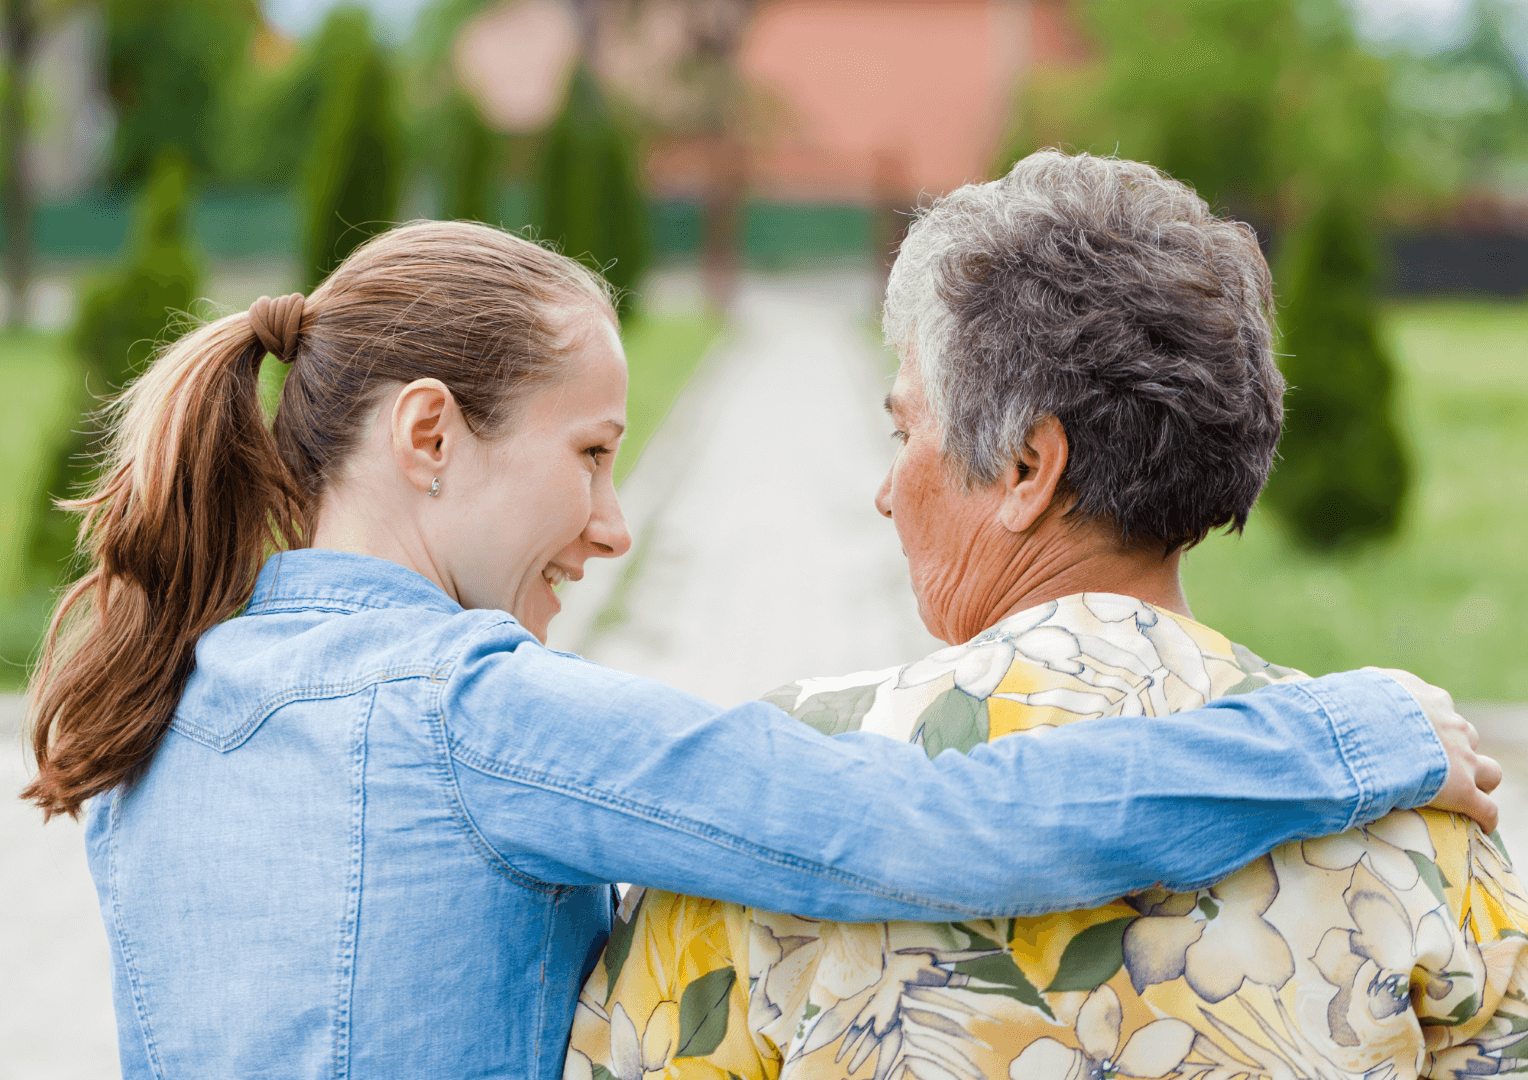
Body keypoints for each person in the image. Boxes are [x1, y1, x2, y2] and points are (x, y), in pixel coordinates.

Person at [21, 220, 1495, 1080]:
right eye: (593, 454)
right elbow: (929, 828)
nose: (612, 525)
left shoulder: (157, 704)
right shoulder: (471, 716)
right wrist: (1345, 737)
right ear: (426, 433)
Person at [568, 151, 1525, 1080]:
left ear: (1029, 467)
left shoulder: (784, 794)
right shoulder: (1426, 805)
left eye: (904, 431)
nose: (884, 493)